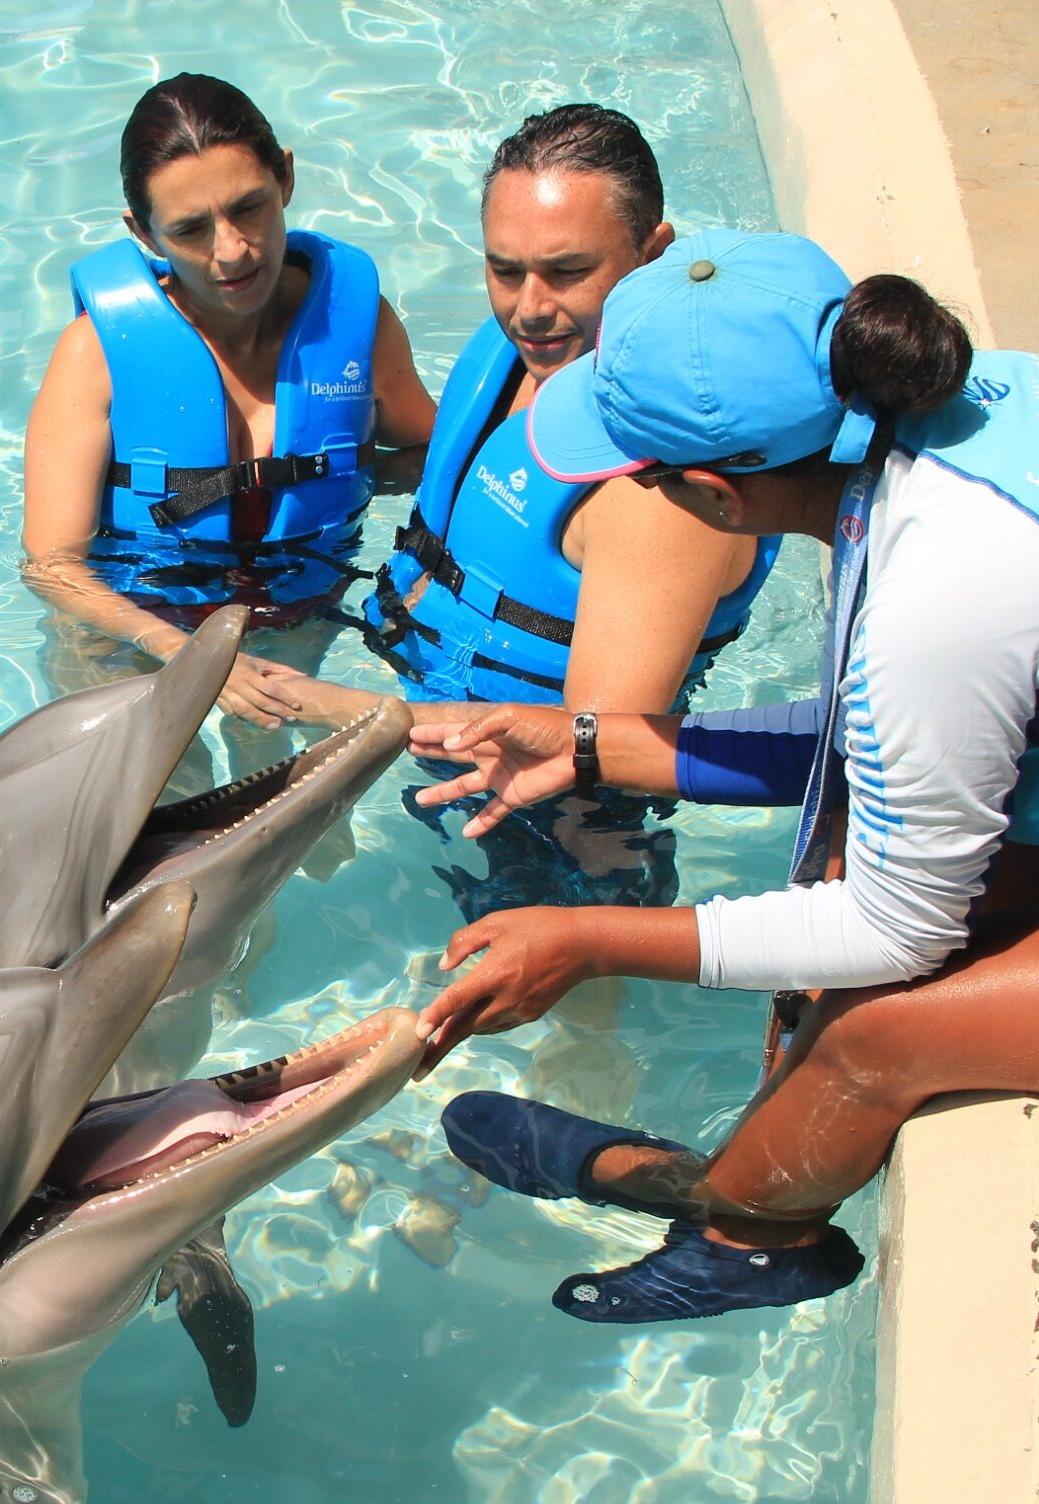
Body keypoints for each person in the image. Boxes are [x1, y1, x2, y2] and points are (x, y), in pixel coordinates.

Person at [406, 228, 1039, 1324]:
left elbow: (898, 928)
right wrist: (591, 742)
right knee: (850, 878)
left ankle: (742, 1235)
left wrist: (583, 940)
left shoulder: (949, 588)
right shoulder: (972, 413)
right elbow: (888, 731)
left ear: (717, 498)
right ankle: (765, 1160)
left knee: (876, 1032)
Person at [294, 106, 778, 926]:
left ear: (653, 255)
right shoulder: (514, 358)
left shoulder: (660, 487)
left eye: (567, 271)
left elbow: (586, 746)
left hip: (566, 830)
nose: (529, 308)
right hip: (440, 732)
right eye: (505, 269)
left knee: (549, 1005)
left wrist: (332, 708)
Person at [21, 73, 438, 763]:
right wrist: (190, 657)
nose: (233, 249)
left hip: (296, 610)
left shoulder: (355, 328)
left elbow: (440, 460)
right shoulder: (97, 354)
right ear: (143, 232)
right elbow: (52, 567)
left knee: (294, 801)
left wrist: (420, 555)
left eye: (249, 207)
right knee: (151, 803)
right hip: (133, 630)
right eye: (190, 229)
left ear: (286, 178)